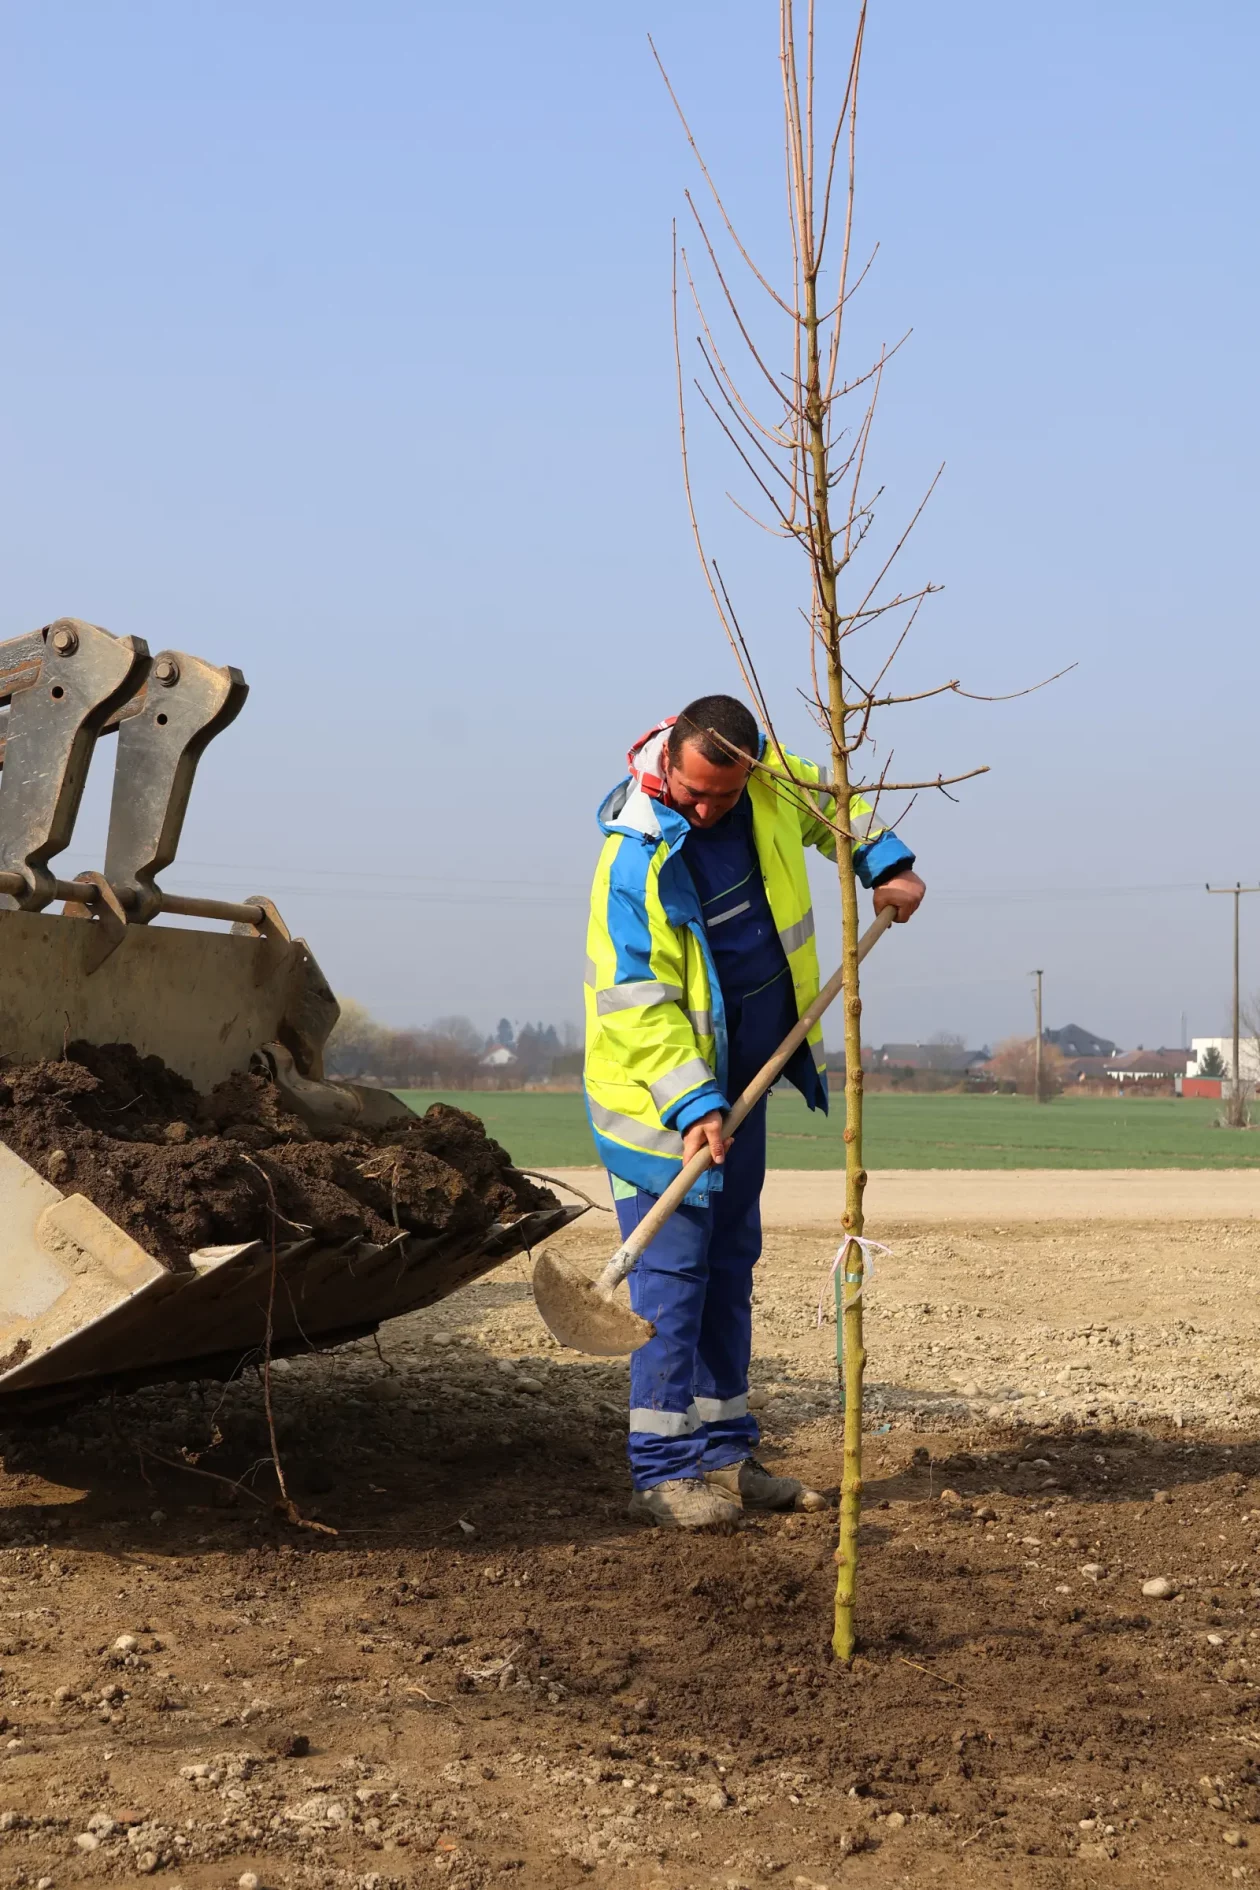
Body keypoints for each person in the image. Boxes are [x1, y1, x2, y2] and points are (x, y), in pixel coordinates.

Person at [583, 694, 925, 1528]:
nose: (707, 810)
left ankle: (726, 1457)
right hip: (660, 1100)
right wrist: (692, 1103)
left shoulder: (770, 778)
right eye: (694, 793)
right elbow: (638, 1005)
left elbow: (837, 808)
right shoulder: (635, 859)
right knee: (673, 1279)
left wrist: (884, 862)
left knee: (730, 1264)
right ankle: (663, 1471)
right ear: (668, 762)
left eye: (724, 797)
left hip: (743, 1084)